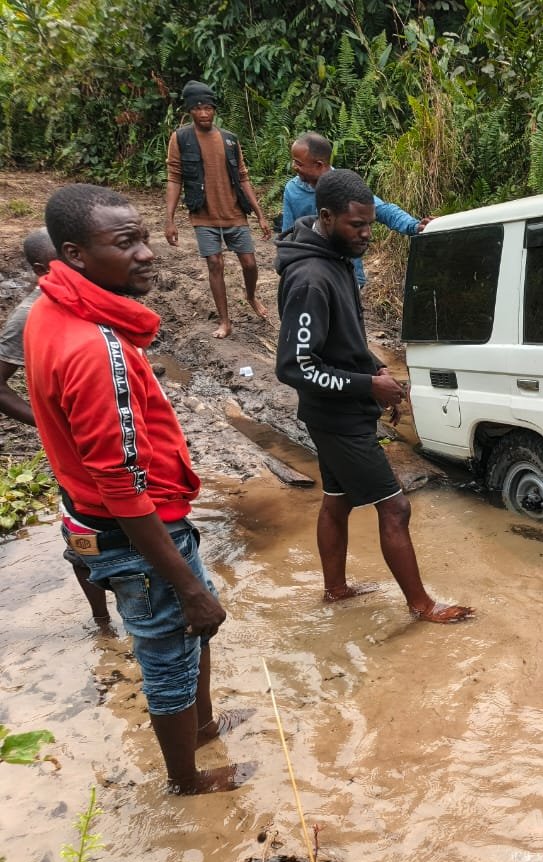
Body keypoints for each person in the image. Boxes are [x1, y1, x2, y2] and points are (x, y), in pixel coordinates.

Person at [25, 183, 253, 794]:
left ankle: (202, 729)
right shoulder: (97, 350)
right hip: (139, 534)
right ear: (74, 255)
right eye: (126, 243)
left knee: (190, 633)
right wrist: (186, 584)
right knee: (172, 648)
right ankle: (186, 780)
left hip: (104, 520)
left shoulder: (50, 309)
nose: (148, 254)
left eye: (145, 237)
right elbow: (123, 488)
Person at [274, 168, 472, 624]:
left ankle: (336, 590)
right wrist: (368, 385)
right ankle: (422, 606)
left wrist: (373, 368)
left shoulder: (335, 257)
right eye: (356, 225)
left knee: (339, 497)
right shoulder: (309, 279)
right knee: (396, 506)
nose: (366, 235)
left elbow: (340, 340)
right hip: (335, 416)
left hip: (343, 408)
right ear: (325, 217)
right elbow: (295, 367)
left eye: (371, 224)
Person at [0, 227, 110, 622]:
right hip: (72, 449)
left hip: (104, 434)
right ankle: (101, 619)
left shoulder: (86, 298)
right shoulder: (30, 314)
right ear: (38, 267)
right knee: (83, 532)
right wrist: (48, 425)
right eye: (63, 263)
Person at [164, 80, 272, 339]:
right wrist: (169, 219)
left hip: (235, 212)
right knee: (215, 263)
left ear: (214, 110)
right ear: (190, 110)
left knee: (249, 262)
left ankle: (250, 296)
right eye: (198, 108)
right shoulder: (181, 139)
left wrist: (259, 214)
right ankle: (225, 321)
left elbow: (243, 177)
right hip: (203, 214)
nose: (203, 113)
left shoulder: (230, 140)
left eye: (208, 108)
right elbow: (174, 177)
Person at [280, 131, 430, 287]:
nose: (294, 167)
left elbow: (383, 209)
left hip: (347, 274)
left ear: (318, 165)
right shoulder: (293, 190)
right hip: (312, 275)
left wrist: (414, 226)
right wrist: (288, 267)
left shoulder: (344, 186)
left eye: (299, 163)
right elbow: (288, 234)